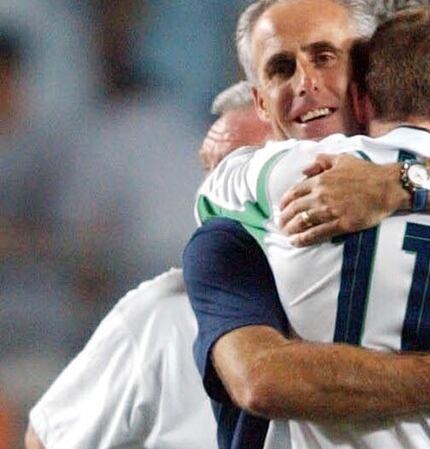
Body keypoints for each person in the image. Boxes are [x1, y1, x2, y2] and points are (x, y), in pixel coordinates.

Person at [189, 6, 430, 448]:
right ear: (261, 100)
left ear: (364, 78)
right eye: (282, 69)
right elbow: (260, 379)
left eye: (324, 57)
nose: (305, 83)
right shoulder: (230, 236)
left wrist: (396, 185)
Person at [23, 82, 272, 449]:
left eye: (244, 170)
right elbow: (47, 440)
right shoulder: (161, 316)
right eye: (210, 173)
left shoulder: (360, 309)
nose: (218, 196)